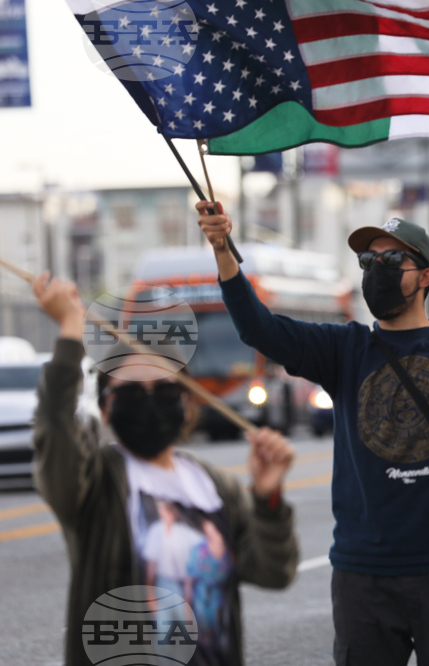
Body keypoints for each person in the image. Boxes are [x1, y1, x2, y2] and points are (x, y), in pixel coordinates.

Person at [196, 202, 429, 666]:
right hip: (363, 577)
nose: (376, 269)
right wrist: (222, 250)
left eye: (392, 260)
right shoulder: (344, 348)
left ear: (426, 276)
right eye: (368, 260)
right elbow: (260, 329)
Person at [30, 271, 299, 666]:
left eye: (166, 389)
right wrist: (71, 329)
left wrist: (266, 497)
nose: (149, 399)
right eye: (133, 390)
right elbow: (55, 430)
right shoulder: (96, 482)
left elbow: (275, 573)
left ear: (188, 403)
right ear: (106, 407)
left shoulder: (215, 486)